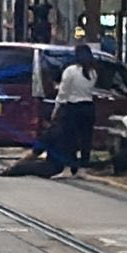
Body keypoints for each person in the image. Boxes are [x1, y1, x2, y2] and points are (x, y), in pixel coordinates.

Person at [50, 41, 98, 174]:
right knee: (86, 140)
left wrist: (56, 108)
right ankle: (83, 169)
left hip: (73, 108)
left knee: (69, 139)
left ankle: (68, 167)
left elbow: (63, 92)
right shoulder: (93, 72)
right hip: (88, 108)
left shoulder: (70, 71)